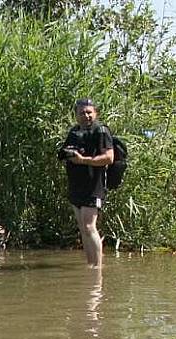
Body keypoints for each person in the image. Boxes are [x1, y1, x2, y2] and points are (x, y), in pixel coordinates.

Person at [58, 98, 114, 268]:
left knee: (90, 226)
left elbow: (109, 157)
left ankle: (98, 269)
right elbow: (65, 152)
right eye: (82, 112)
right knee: (83, 227)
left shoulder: (101, 131)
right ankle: (90, 266)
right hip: (76, 184)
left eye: (89, 112)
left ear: (95, 113)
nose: (86, 115)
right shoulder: (74, 132)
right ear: (76, 115)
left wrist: (84, 160)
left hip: (93, 184)